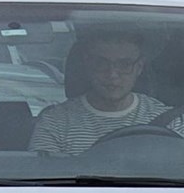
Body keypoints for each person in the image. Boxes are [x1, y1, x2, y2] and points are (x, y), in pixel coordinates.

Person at [30, 31, 184, 155]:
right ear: (87, 64)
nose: (112, 74)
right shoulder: (55, 123)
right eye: (101, 63)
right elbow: (41, 182)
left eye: (124, 64)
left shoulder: (170, 122)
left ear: (139, 67)